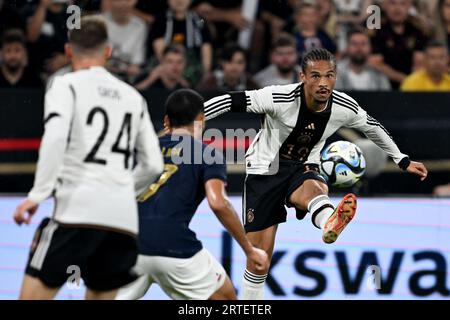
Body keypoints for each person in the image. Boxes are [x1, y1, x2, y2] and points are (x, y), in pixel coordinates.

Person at [204, 48, 428, 300]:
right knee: (259, 260)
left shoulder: (344, 106)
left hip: (304, 165)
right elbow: (228, 101)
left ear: (336, 77)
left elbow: (372, 127)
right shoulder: (279, 97)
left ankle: (329, 221)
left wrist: (402, 159)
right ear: (303, 77)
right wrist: (192, 120)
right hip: (265, 170)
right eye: (316, 76)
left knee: (314, 186)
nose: (323, 83)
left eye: (329, 76)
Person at [12, 16, 164, 300]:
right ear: (108, 51)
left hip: (76, 212)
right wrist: (118, 189)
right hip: (121, 221)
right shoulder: (133, 97)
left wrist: (38, 193)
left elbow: (55, 137)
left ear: (69, 51)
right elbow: (154, 165)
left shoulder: (65, 84)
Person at [116, 89, 268, 300]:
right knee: (226, 299)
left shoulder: (142, 150)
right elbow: (218, 203)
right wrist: (249, 249)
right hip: (174, 246)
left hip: (129, 245)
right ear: (201, 120)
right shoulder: (207, 153)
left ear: (167, 120)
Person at [149, 0, 213, 86]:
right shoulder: (160, 19)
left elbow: (206, 46)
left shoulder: (199, 20)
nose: (179, 1)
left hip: (193, 67)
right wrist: (170, 68)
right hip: (167, 65)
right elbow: (160, 52)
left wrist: (205, 73)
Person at [368, 0, 428, 89]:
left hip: (412, 86)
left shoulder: (417, 29)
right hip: (382, 85)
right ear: (385, 5)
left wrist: (411, 82)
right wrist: (404, 79)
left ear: (409, 6)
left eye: (403, 3)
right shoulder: (376, 29)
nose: (397, 8)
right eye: (392, 3)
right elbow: (375, 63)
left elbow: (419, 62)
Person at [103, 0, 148, 82]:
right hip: (102, 73)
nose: (123, 3)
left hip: (125, 78)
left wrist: (134, 68)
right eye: (119, 0)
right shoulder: (99, 22)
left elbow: (136, 64)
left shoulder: (140, 26)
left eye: (128, 0)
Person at [23, 0, 71, 76]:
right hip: (35, 74)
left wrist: (66, 59)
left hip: (65, 71)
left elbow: (79, 43)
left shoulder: (73, 11)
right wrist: (43, 6)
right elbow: (32, 37)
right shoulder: (30, 8)